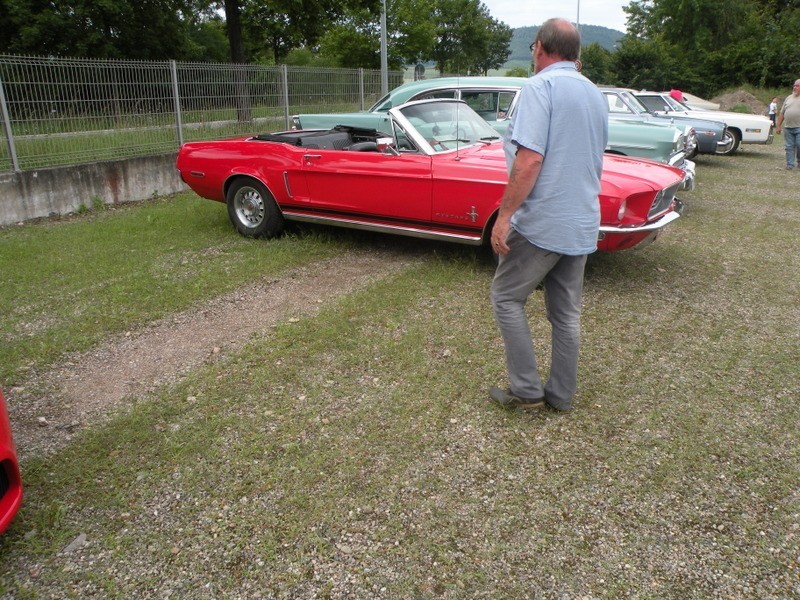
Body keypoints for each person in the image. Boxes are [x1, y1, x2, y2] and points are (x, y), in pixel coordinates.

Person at [488, 18, 608, 413]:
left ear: (540, 46)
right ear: (576, 53)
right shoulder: (594, 93)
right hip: (581, 219)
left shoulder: (539, 88)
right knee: (566, 313)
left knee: (506, 296)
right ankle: (561, 395)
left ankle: (525, 390)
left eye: (532, 47)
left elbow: (529, 159)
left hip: (543, 221)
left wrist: (504, 216)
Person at [776, 79, 800, 170]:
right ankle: (790, 165)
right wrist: (778, 126)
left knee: (799, 145)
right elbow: (782, 113)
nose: (794, 87)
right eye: (794, 85)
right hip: (788, 127)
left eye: (797, 86)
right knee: (789, 146)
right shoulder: (789, 98)